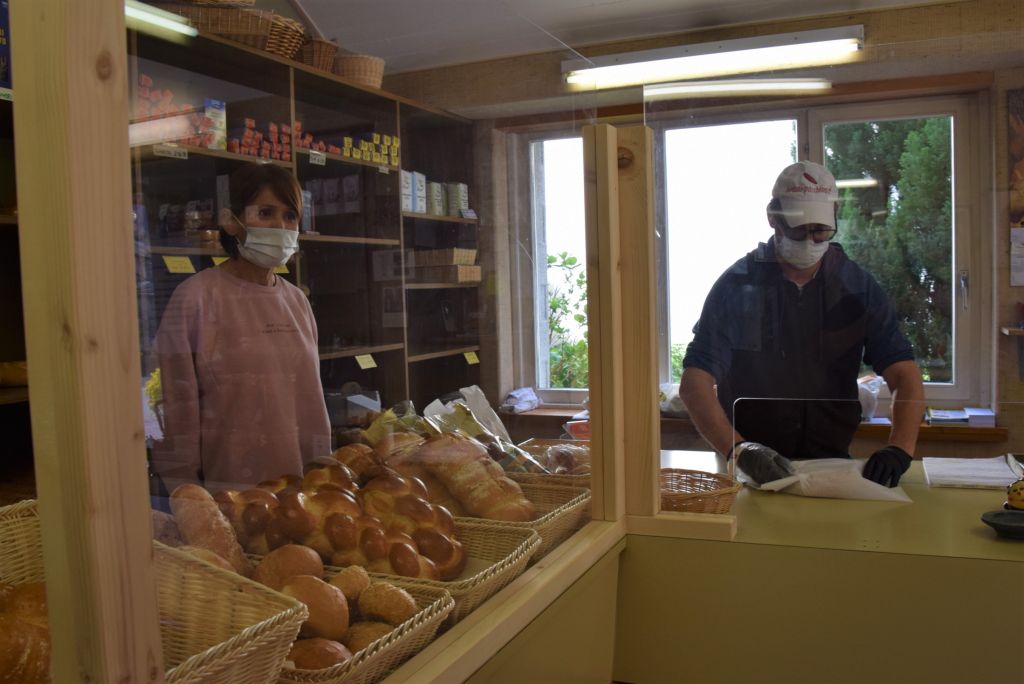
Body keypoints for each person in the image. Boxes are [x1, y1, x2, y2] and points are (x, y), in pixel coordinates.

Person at [679, 161, 924, 488]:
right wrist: (739, 450)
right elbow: (695, 382)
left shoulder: (857, 288)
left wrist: (900, 448)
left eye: (820, 229)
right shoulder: (737, 286)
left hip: (830, 464)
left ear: (834, 216)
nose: (809, 240)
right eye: (798, 228)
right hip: (746, 468)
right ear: (773, 217)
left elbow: (904, 375)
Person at [152, 164, 331, 492]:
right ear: (230, 221)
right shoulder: (195, 298)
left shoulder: (297, 301)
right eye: (265, 213)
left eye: (290, 216)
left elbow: (310, 403)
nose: (280, 226)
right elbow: (175, 409)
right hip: (231, 496)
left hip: (304, 494)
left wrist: (323, 478)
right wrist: (187, 494)